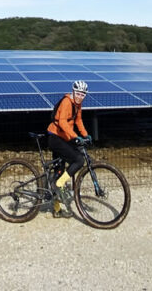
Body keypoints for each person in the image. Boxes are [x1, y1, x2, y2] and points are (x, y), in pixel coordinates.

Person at [46, 80, 92, 217]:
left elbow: (78, 120)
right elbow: (62, 122)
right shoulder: (67, 102)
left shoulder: (78, 105)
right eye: (78, 93)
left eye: (82, 95)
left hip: (64, 137)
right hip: (55, 137)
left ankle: (57, 209)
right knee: (78, 160)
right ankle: (59, 184)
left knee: (59, 170)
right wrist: (75, 137)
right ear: (73, 92)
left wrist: (85, 135)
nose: (79, 96)